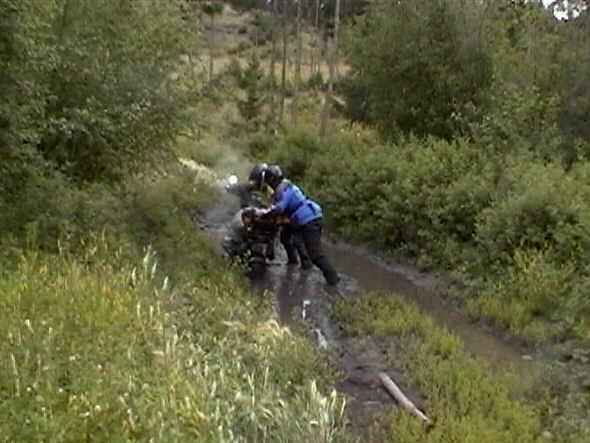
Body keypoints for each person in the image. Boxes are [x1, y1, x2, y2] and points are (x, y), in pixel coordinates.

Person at [250, 164, 340, 286]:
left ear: (272, 180)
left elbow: (279, 208)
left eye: (269, 182)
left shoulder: (285, 189)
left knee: (316, 254)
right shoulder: (284, 187)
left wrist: (264, 214)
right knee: (292, 240)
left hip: (309, 220)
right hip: (303, 220)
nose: (269, 185)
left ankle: (333, 280)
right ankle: (300, 265)